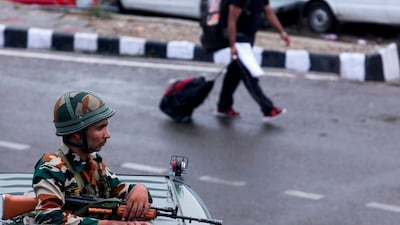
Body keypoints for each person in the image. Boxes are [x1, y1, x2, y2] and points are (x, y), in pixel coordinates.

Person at [32, 91, 152, 225]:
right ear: (77, 134)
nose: (107, 135)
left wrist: (140, 190)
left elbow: (120, 190)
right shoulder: (51, 167)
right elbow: (48, 219)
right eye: (100, 128)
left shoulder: (93, 162)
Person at [215, 0, 291, 121]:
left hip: (248, 39)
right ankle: (267, 108)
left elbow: (269, 12)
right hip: (239, 39)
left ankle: (223, 106)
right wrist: (233, 45)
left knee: (234, 74)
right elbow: (232, 19)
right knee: (248, 74)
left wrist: (282, 32)